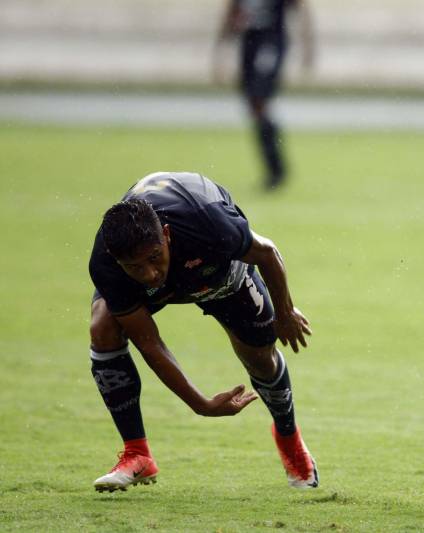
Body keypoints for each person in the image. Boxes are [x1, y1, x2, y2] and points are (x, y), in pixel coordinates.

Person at [89, 171, 318, 492]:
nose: (150, 273)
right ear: (117, 261)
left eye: (155, 258)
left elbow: (267, 252)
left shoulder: (207, 223)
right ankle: (137, 455)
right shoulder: (107, 262)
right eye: (135, 267)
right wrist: (201, 404)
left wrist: (284, 312)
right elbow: (149, 342)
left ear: (166, 235)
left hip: (223, 278)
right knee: (103, 326)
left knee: (261, 360)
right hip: (159, 289)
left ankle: (288, 436)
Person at [216, 0, 314, 189]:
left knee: (259, 98)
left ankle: (276, 169)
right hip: (249, 41)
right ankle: (273, 168)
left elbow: (301, 10)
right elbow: (232, 12)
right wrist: (220, 52)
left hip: (271, 42)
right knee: (254, 105)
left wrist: (308, 48)